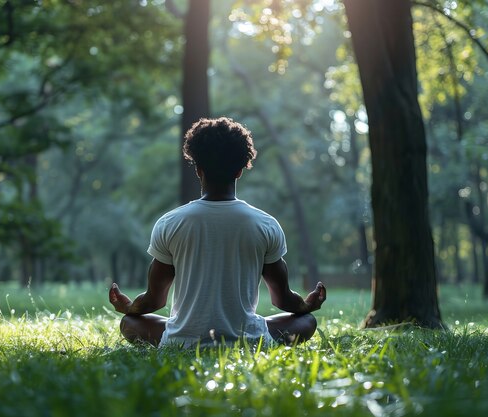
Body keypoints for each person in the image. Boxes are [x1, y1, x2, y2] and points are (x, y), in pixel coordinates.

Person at [109, 117, 326, 347]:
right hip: (249, 340)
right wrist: (305, 306)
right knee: (307, 322)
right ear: (240, 171)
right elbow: (282, 298)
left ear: (198, 170)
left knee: (129, 324)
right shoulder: (266, 224)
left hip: (182, 340)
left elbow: (155, 299)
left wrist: (130, 308)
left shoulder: (170, 222)